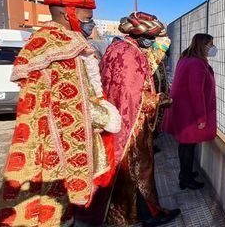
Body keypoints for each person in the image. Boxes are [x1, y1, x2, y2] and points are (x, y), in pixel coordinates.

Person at [0, 0, 122, 226]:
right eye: (87, 18)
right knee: (55, 204)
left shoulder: (42, 40)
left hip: (42, 134)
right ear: (67, 13)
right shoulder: (63, 48)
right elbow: (72, 103)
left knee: (50, 204)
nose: (90, 24)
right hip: (57, 141)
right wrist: (107, 117)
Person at [77, 12, 180, 226]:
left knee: (128, 174)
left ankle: (137, 213)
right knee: (138, 171)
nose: (152, 42)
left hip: (118, 121)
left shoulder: (117, 48)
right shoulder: (130, 56)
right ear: (139, 34)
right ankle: (148, 215)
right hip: (131, 124)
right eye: (151, 38)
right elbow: (131, 97)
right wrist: (160, 100)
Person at [163, 33, 218, 190]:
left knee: (186, 145)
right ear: (202, 45)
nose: (212, 47)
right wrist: (201, 117)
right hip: (190, 113)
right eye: (210, 44)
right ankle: (185, 179)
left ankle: (185, 173)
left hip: (183, 110)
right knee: (187, 146)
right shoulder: (196, 64)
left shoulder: (186, 58)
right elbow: (196, 92)